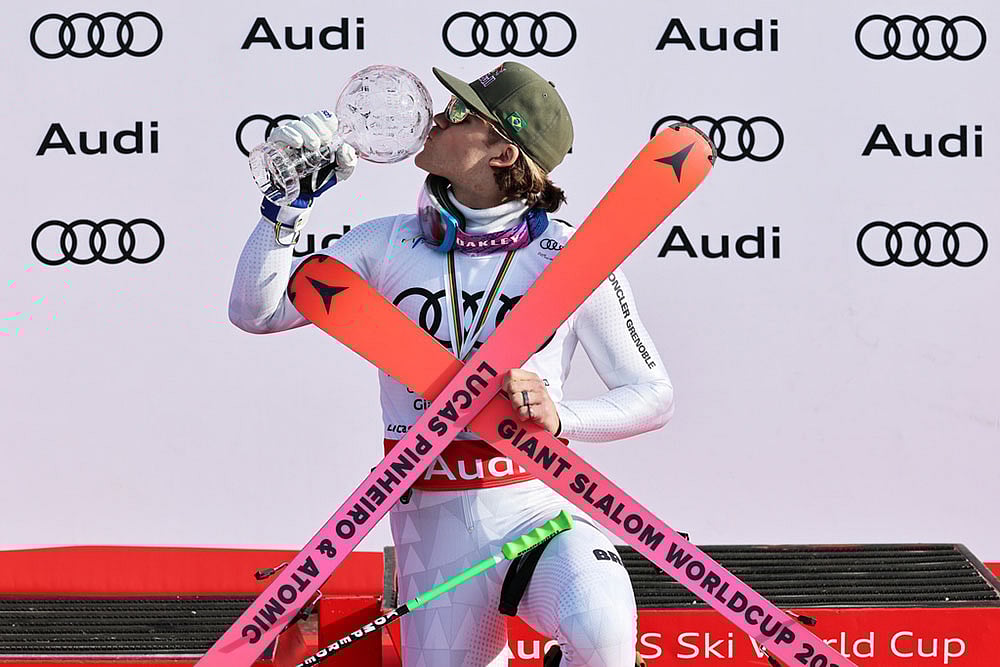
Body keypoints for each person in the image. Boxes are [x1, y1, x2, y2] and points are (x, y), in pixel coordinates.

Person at [229, 62, 673, 667]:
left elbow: (652, 395)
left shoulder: (569, 253)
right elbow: (256, 312)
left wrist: (561, 415)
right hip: (430, 527)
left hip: (535, 504)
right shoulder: (385, 241)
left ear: (501, 152)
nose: (437, 116)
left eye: (462, 113)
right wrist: (285, 208)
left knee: (602, 634)